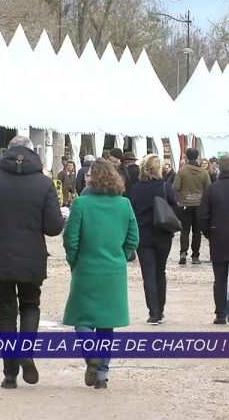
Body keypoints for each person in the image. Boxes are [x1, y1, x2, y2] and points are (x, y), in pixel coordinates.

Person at [0, 135, 64, 389]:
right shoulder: (43, 183)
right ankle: (26, 351)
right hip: (32, 255)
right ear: (32, 153)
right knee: (30, 305)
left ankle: (9, 373)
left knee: (6, 313)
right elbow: (54, 226)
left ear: (7, 152)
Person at [62, 158, 138, 389]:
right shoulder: (124, 204)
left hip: (86, 266)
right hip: (113, 270)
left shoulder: (82, 204)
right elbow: (133, 238)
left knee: (81, 319)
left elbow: (70, 238)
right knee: (107, 324)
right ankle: (103, 374)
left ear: (93, 178)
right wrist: (120, 256)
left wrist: (74, 260)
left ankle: (91, 356)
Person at [199, 154, 229, 327]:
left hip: (218, 236)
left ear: (219, 167)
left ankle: (221, 314)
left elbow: (203, 216)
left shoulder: (212, 189)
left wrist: (209, 233)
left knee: (219, 278)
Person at [131, 155, 176, 324]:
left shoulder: (137, 189)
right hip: (163, 234)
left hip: (143, 235)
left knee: (148, 275)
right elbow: (175, 207)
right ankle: (161, 309)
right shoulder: (165, 187)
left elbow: (133, 210)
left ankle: (153, 312)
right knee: (160, 272)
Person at [172, 148, 211, 265]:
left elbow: (175, 187)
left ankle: (183, 252)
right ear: (197, 156)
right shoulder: (204, 172)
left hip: (185, 204)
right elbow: (209, 189)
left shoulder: (182, 171)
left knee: (185, 230)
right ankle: (195, 256)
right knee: (197, 231)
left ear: (187, 157)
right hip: (199, 205)